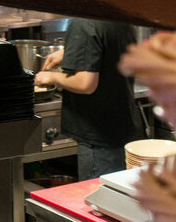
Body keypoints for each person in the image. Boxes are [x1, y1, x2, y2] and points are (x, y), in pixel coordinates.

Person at [34, 18, 144, 179]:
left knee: (98, 193)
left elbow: (85, 84)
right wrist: (69, 51)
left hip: (98, 137)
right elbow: (108, 46)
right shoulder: (118, 13)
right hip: (123, 125)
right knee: (118, 190)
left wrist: (51, 77)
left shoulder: (83, 23)